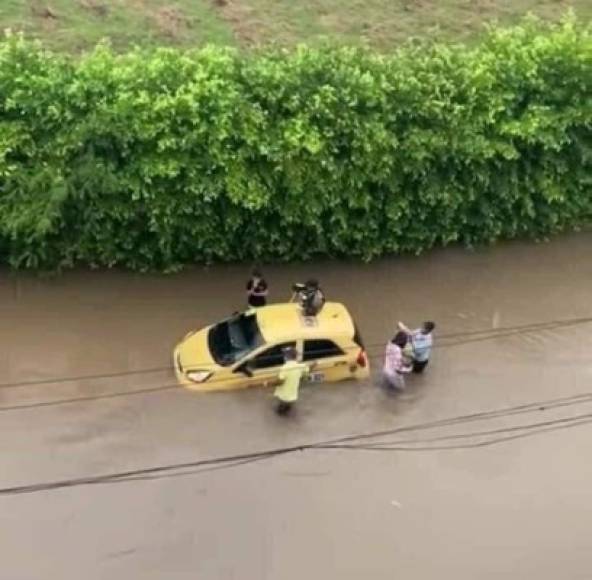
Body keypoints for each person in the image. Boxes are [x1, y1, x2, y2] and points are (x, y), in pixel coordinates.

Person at [273, 347, 310, 416]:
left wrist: (270, 383)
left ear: (287, 357)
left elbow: (280, 382)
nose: (284, 356)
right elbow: (308, 369)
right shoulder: (301, 366)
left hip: (283, 395)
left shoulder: (285, 368)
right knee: (288, 408)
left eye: (284, 355)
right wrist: (315, 364)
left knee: (280, 411)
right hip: (293, 394)